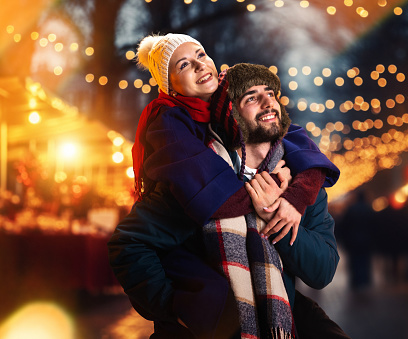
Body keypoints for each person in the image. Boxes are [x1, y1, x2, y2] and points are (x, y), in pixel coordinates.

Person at [108, 33, 344, 338]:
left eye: (271, 94)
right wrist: (175, 311)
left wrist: (278, 211)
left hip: (277, 320)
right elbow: (129, 244)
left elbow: (323, 269)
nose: (267, 103)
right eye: (250, 97)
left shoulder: (299, 177)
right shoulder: (194, 177)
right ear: (230, 112)